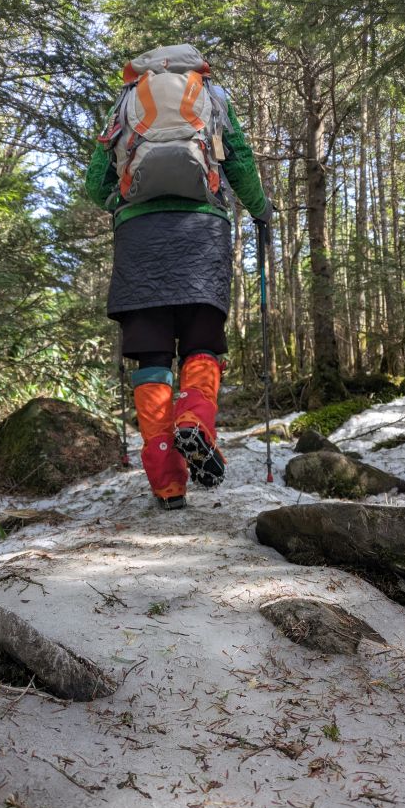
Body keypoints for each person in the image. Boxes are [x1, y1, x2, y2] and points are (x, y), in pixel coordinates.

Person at [85, 44, 271, 509]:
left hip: (140, 239)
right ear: (194, 65)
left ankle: (167, 485)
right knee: (201, 345)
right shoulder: (212, 95)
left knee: (151, 360)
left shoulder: (126, 102)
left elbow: (96, 181)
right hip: (202, 235)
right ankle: (195, 422)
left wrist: (120, 205)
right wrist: (261, 211)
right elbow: (240, 161)